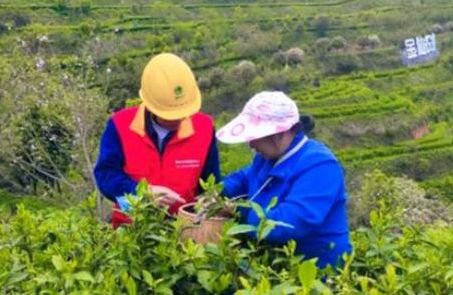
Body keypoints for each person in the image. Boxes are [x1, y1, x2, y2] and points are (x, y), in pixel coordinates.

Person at [216, 91, 351, 268]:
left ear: (281, 132)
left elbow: (288, 223)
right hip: (277, 264)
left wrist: (237, 210)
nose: (251, 144)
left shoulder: (319, 166)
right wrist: (217, 192)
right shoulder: (267, 159)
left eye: (255, 136)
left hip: (317, 270)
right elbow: (243, 178)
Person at [94, 53, 220, 228]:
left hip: (184, 230)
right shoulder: (120, 126)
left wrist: (209, 201)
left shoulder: (204, 128)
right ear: (150, 104)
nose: (179, 119)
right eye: (170, 114)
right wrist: (142, 193)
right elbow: (106, 175)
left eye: (184, 113)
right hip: (132, 230)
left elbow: (210, 182)